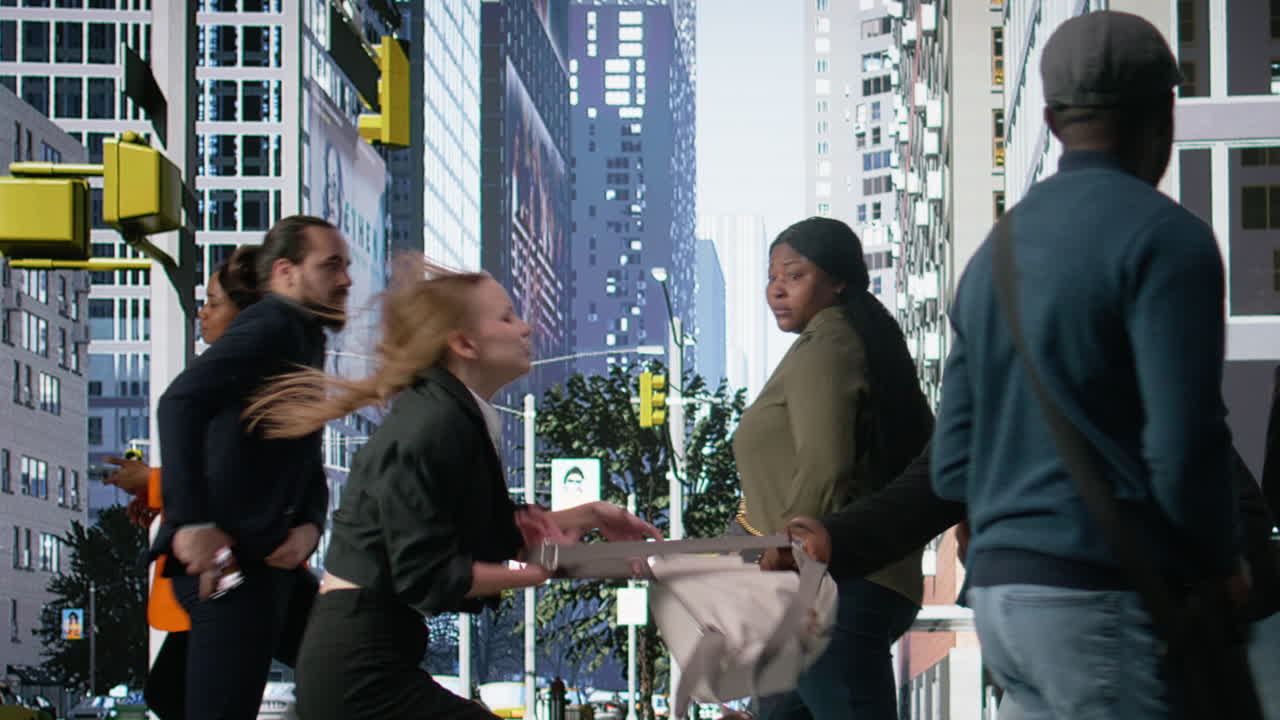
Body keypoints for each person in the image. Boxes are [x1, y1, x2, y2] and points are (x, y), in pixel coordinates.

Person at [930, 12, 1244, 719]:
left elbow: (952, 467)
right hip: (1100, 596)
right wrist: (1221, 563)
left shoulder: (992, 259)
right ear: (1161, 116)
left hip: (1001, 603)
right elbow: (1185, 442)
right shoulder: (1167, 239)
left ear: (1050, 119)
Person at [244, 259, 659, 720]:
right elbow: (427, 575)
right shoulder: (434, 424)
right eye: (506, 317)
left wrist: (592, 516)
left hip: (365, 664)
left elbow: (489, 532)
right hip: (357, 675)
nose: (526, 327)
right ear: (464, 343)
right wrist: (535, 573)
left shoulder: (451, 415)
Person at [150, 215, 351, 720]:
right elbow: (179, 402)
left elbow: (304, 452)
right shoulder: (272, 326)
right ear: (285, 272)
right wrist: (192, 522)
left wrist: (309, 525)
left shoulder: (305, 336)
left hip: (263, 562)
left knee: (357, 661)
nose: (346, 279)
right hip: (230, 564)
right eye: (331, 266)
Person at [731, 217, 933, 719]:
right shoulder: (850, 342)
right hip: (834, 589)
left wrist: (785, 550)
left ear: (838, 280)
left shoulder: (828, 344)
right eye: (772, 276)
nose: (777, 289)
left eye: (794, 275)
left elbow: (825, 463)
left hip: (828, 590)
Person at [104, 245, 264, 720]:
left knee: (178, 696)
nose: (202, 313)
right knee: (175, 694)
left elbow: (236, 478)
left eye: (213, 302)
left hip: (227, 574)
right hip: (220, 576)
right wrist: (163, 499)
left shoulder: (244, 383)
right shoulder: (233, 378)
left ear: (245, 315)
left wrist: (154, 483)